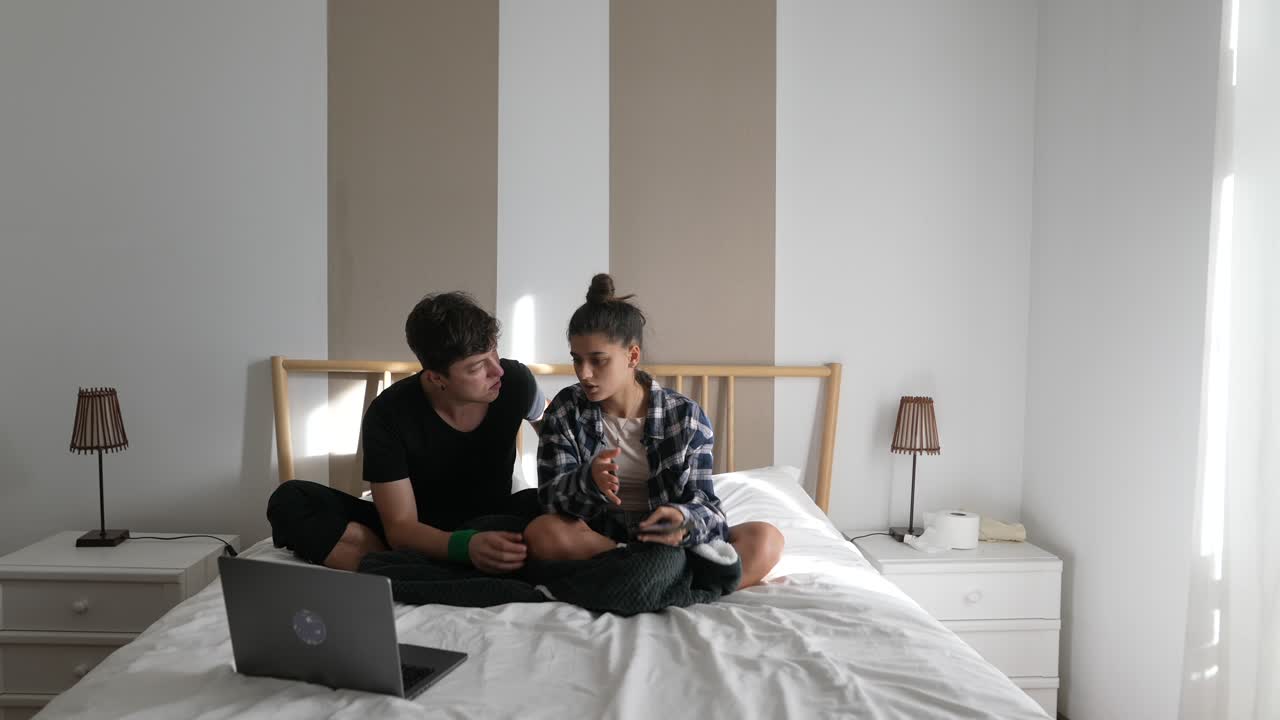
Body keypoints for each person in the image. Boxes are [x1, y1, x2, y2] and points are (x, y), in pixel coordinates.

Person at [524, 274, 784, 589]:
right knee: (542, 532)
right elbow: (550, 500)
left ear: (632, 356)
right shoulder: (566, 410)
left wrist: (683, 521)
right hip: (598, 540)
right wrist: (587, 481)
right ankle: (673, 581)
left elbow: (707, 506)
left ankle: (640, 578)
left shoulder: (685, 417)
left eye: (598, 360)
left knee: (766, 540)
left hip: (668, 544)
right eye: (577, 360)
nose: (584, 373)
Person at [266, 292, 544, 573]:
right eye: (476, 366)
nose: (497, 371)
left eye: (494, 351)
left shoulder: (516, 382)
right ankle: (432, 568)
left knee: (555, 503)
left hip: (495, 519)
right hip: (419, 531)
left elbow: (560, 430)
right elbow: (400, 528)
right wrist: (464, 547)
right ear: (436, 377)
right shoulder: (389, 413)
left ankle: (399, 571)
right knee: (290, 500)